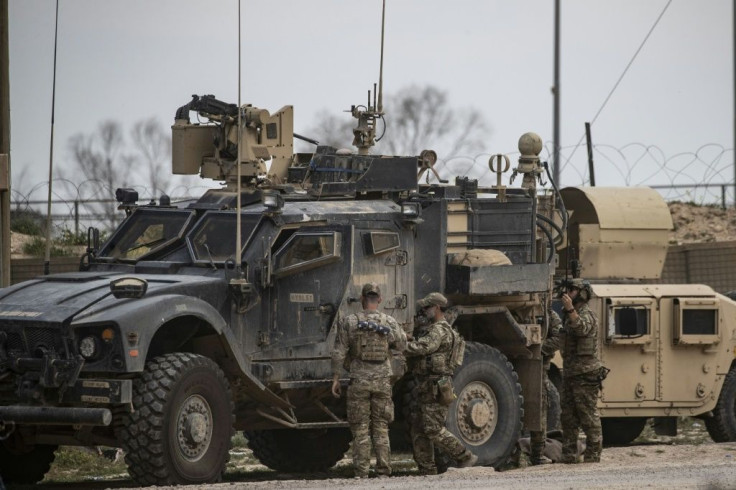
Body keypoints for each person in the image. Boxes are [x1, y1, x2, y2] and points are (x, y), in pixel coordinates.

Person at [331, 282, 407, 478]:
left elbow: (339, 352)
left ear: (363, 299)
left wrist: (336, 378)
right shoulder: (389, 321)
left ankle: (362, 472)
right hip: (382, 380)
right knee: (381, 426)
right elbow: (401, 344)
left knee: (360, 428)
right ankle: (383, 471)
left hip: (359, 380)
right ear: (379, 299)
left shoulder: (350, 322)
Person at [405, 292, 478, 475]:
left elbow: (423, 347)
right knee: (419, 426)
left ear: (437, 308)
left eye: (427, 308)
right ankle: (427, 468)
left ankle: (464, 455)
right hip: (430, 384)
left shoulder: (438, 330)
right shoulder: (443, 330)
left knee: (434, 429)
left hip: (434, 385)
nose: (424, 311)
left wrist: (400, 345)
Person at [559, 278, 604, 463]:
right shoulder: (569, 315)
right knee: (568, 417)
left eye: (573, 290)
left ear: (583, 293)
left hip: (585, 374)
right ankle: (569, 454)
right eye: (568, 289)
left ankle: (593, 454)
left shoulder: (586, 314)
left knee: (587, 415)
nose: (568, 293)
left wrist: (570, 309)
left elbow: (582, 328)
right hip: (570, 373)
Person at [529, 307, 564, 465]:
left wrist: (539, 349)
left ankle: (537, 453)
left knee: (540, 407)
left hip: (540, 365)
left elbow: (559, 338)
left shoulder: (550, 314)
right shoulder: (526, 311)